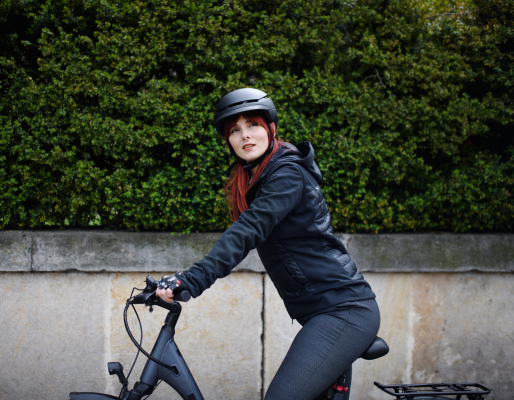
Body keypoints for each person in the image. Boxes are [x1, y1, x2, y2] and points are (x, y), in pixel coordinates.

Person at [155, 88, 380, 400]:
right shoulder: (251, 179)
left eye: (253, 125)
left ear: (270, 129)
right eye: (235, 130)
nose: (245, 135)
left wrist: (191, 279)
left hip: (344, 311)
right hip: (320, 312)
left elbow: (248, 230)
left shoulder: (286, 173)